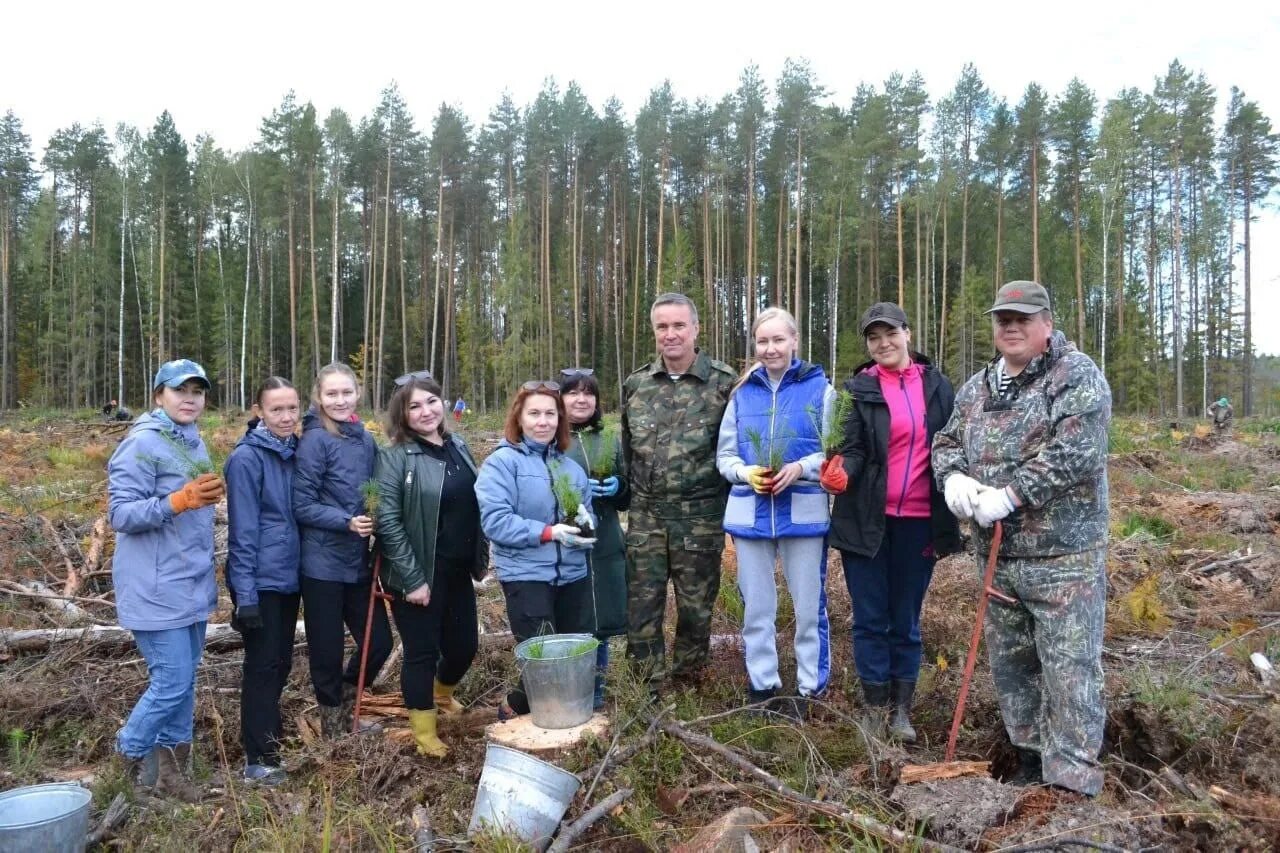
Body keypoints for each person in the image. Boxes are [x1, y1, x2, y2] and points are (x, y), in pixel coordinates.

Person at [932, 280, 1111, 797]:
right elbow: (945, 442)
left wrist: (1011, 495)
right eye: (1002, 319)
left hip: (1063, 559)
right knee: (1013, 668)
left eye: (1023, 319)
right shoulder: (979, 386)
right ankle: (1031, 763)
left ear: (1046, 324)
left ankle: (1074, 781)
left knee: (1069, 669)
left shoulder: (1074, 376)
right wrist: (954, 479)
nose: (1010, 327)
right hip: (998, 556)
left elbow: (1077, 452)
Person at [821, 302, 960, 742]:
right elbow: (853, 449)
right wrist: (842, 469)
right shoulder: (857, 391)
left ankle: (901, 712)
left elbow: (952, 446)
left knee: (906, 618)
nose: (883, 343)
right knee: (868, 618)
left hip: (920, 521)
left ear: (908, 333)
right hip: (867, 521)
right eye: (873, 337)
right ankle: (874, 708)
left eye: (890, 333)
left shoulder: (938, 388)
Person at [107, 358, 224, 801]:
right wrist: (176, 501)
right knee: (172, 680)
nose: (190, 398)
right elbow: (120, 514)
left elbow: (193, 510)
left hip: (189, 581)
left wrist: (199, 498)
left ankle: (172, 778)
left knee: (184, 681)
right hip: (154, 587)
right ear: (159, 396)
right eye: (180, 390)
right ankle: (123, 767)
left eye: (197, 391)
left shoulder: (191, 441)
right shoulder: (142, 443)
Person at [716, 307, 834, 718]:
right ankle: (762, 686)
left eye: (778, 340)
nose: (770, 349)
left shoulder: (821, 389)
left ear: (795, 341)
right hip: (751, 514)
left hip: (802, 512)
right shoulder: (742, 393)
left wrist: (802, 468)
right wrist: (745, 472)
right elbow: (725, 455)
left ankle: (809, 689)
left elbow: (833, 452)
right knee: (757, 608)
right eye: (763, 342)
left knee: (808, 607)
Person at [623, 293, 737, 691]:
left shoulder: (723, 383)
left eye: (678, 325)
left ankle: (688, 686)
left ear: (696, 328)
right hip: (646, 516)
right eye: (662, 327)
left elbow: (734, 450)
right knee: (641, 609)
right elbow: (626, 451)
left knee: (695, 610)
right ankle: (646, 691)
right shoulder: (636, 384)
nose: (670, 335)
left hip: (700, 517)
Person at [375, 371, 486, 757]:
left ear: (443, 403)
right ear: (401, 415)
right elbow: (387, 521)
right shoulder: (394, 458)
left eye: (431, 402)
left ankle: (442, 694)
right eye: (414, 406)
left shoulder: (458, 447)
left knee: (464, 647)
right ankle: (423, 732)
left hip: (457, 571)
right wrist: (412, 579)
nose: (425, 411)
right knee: (421, 652)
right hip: (417, 573)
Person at [474, 380, 597, 719]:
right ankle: (515, 715)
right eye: (534, 414)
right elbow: (496, 522)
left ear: (560, 420)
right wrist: (549, 532)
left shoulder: (569, 468)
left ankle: (562, 723)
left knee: (572, 656)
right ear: (520, 418)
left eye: (550, 414)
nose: (543, 421)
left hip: (572, 574)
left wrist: (586, 525)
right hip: (526, 575)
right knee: (543, 658)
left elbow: (587, 513)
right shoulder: (502, 464)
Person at [292, 362, 391, 738]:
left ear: (357, 394)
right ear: (318, 397)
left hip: (358, 562)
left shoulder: (365, 439)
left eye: (346, 392)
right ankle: (334, 727)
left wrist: (378, 516)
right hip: (320, 565)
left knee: (378, 643)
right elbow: (301, 504)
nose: (339, 399)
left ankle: (349, 704)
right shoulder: (315, 439)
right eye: (331, 393)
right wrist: (345, 521)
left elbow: (374, 492)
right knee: (327, 650)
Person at [224, 377, 301, 785]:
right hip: (261, 580)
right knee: (262, 666)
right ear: (259, 412)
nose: (286, 417)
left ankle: (268, 737)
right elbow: (242, 532)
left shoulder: (294, 452)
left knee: (280, 662)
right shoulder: (247, 459)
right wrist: (245, 595)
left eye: (292, 408)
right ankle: (258, 757)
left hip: (289, 577)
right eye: (276, 410)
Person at [560, 367, 629, 709]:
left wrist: (618, 488)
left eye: (588, 393)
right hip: (564, 543)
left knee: (600, 621)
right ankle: (568, 692)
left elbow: (628, 496)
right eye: (573, 392)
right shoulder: (552, 439)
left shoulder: (609, 440)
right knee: (571, 619)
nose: (581, 399)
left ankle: (596, 694)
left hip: (604, 543)